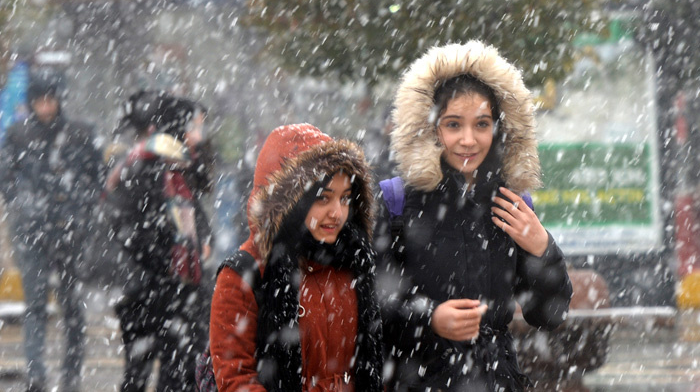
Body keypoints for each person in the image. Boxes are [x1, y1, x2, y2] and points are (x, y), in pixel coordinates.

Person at [374, 41, 573, 391]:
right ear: (432, 128)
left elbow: (548, 315)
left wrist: (543, 248)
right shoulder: (396, 200)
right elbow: (371, 304)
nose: (469, 140)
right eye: (453, 125)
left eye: (481, 124)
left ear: (498, 128)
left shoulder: (513, 203)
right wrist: (429, 319)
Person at [209, 123, 384, 391]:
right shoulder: (243, 273)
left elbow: (370, 363)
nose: (337, 213)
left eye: (345, 199)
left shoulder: (353, 262)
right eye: (324, 198)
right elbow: (235, 379)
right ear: (292, 201)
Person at [102, 92, 214, 392]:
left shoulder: (175, 165)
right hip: (150, 292)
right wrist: (168, 264)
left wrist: (202, 240)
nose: (199, 136)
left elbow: (195, 217)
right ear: (177, 127)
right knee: (151, 376)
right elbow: (129, 228)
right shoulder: (148, 166)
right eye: (194, 127)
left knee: (175, 373)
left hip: (172, 292)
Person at [0, 71, 103, 392]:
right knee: (35, 305)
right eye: (39, 101)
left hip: (70, 232)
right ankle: (36, 373)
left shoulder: (79, 134)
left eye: (50, 99)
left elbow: (96, 176)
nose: (45, 106)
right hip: (32, 231)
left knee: (71, 306)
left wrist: (80, 210)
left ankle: (71, 374)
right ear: (31, 103)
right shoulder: (18, 135)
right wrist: (22, 204)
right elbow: (6, 177)